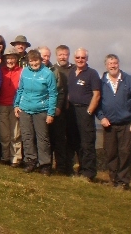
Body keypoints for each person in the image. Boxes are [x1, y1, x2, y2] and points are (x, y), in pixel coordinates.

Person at [97, 54, 131, 189]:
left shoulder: (129, 80)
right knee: (110, 153)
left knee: (125, 152)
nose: (113, 66)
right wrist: (101, 117)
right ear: (106, 65)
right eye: (110, 63)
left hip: (126, 124)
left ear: (119, 64)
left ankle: (123, 182)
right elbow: (96, 102)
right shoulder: (101, 82)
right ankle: (113, 180)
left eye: (115, 63)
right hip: (109, 125)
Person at [13, 50, 57, 176]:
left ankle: (45, 165)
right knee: (27, 136)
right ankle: (30, 161)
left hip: (41, 110)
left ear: (40, 60)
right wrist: (16, 105)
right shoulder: (25, 72)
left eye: (36, 60)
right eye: (31, 61)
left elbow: (53, 94)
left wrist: (50, 113)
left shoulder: (48, 74)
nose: (34, 63)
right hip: (25, 109)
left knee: (42, 138)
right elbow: (20, 89)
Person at [67, 47, 101, 180]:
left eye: (83, 58)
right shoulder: (71, 72)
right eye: (77, 58)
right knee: (75, 142)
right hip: (71, 111)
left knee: (87, 142)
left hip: (85, 110)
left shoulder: (92, 73)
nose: (80, 60)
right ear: (74, 58)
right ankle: (80, 169)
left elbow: (97, 94)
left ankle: (89, 173)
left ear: (87, 59)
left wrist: (89, 111)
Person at [40, 45, 69, 175]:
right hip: (39, 110)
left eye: (47, 56)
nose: (45, 58)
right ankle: (44, 165)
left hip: (53, 111)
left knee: (58, 139)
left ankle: (61, 168)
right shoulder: (32, 69)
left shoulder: (54, 71)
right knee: (43, 139)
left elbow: (60, 92)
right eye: (43, 56)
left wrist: (57, 107)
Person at [0, 46, 23, 167]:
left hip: (15, 106)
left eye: (12, 58)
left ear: (16, 59)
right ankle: (5, 156)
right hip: (1, 105)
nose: (10, 61)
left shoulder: (22, 72)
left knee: (16, 134)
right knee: (4, 134)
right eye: (8, 58)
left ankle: (16, 158)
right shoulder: (1, 71)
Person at [53, 44, 75, 175]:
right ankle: (59, 166)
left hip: (72, 110)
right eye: (60, 54)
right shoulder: (52, 69)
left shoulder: (74, 69)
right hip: (57, 109)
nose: (63, 57)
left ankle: (68, 166)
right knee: (58, 138)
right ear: (57, 56)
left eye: (65, 54)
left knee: (71, 139)